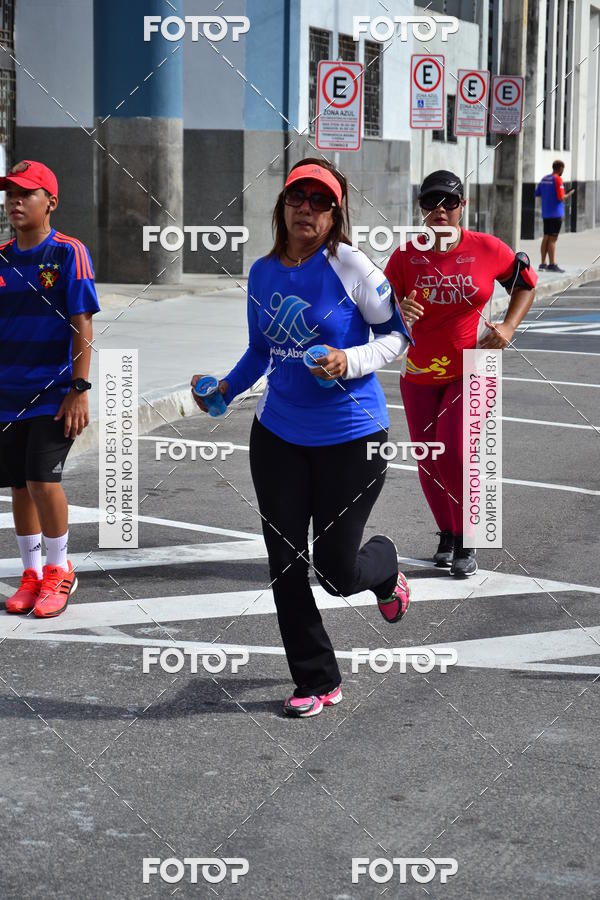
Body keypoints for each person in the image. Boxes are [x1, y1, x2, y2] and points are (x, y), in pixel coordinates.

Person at [191, 158, 412, 718]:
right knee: (286, 564)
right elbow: (261, 352)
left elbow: (394, 336)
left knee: (336, 573)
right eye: (297, 198)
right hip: (279, 437)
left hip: (352, 436)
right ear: (282, 206)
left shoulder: (349, 265)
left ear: (335, 212)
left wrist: (348, 359)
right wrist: (223, 388)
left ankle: (383, 567)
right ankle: (316, 678)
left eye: (319, 200)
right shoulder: (263, 272)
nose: (306, 208)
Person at [385, 170, 537, 576]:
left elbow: (524, 283)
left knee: (454, 451)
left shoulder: (486, 248)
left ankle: (470, 535)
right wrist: (398, 314)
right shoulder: (404, 256)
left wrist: (507, 327)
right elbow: (378, 311)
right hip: (418, 371)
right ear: (420, 209)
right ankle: (448, 534)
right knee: (428, 459)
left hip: (472, 366)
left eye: (448, 202)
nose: (439, 210)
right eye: (430, 202)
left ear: (462, 206)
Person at [0, 160, 100, 617]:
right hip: (6, 396)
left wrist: (79, 387)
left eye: (26, 194)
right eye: (10, 194)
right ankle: (32, 573)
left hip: (53, 392)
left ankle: (60, 570)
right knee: (19, 487)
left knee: (43, 481)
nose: (15, 202)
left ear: (51, 202)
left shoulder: (68, 253)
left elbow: (82, 323)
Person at [535, 160, 575, 272]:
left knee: (546, 237)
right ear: (560, 168)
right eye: (563, 169)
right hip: (556, 214)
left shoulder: (544, 179)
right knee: (553, 239)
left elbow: (537, 193)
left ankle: (543, 263)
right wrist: (569, 194)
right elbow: (561, 197)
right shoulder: (558, 179)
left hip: (546, 213)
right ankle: (552, 264)